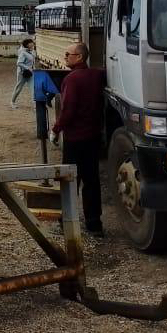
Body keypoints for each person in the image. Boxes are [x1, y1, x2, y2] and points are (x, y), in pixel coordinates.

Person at [50, 42, 106, 236]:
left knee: (70, 180)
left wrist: (56, 129)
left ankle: (66, 221)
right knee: (92, 180)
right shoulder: (98, 75)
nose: (65, 57)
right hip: (93, 136)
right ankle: (94, 223)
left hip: (75, 138)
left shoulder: (72, 79)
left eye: (68, 54)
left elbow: (68, 109)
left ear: (79, 57)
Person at [11, 39, 36, 108]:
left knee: (33, 88)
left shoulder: (33, 51)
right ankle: (13, 102)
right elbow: (19, 63)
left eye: (32, 42)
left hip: (31, 73)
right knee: (19, 88)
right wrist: (27, 68)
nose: (32, 44)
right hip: (22, 73)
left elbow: (32, 62)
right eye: (30, 43)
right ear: (27, 44)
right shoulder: (23, 52)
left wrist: (33, 69)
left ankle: (35, 104)